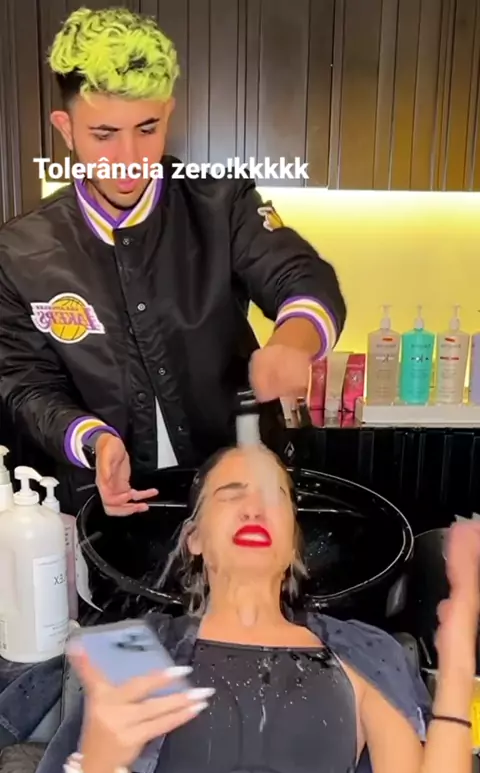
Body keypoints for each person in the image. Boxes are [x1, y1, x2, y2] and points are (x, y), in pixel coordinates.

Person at [0, 6, 346, 517]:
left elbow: (301, 275)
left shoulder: (220, 206)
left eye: (147, 129)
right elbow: (23, 382)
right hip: (109, 513)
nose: (129, 157)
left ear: (168, 113)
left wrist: (293, 344)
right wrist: (92, 439)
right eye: (104, 135)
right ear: (66, 128)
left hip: (240, 499)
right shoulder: (21, 251)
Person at [59, 445, 479, 773]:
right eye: (231, 494)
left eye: (273, 497)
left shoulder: (364, 656)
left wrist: (458, 662)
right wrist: (100, 764)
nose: (254, 509)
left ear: (293, 543)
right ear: (194, 538)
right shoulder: (141, 650)